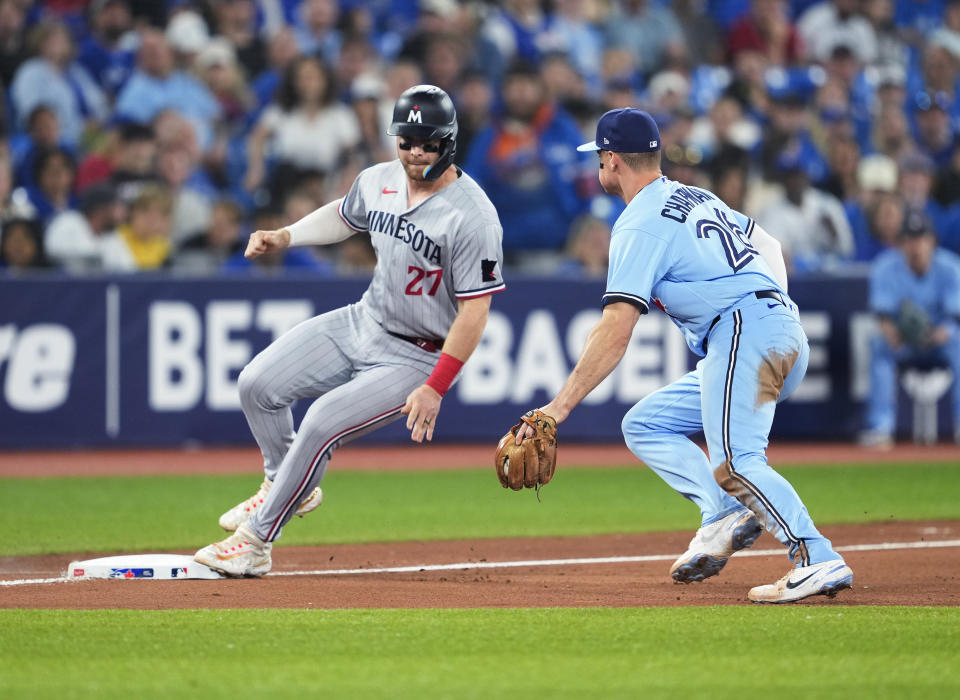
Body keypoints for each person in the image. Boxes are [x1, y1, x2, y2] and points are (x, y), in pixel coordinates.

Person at [515, 108, 853, 604]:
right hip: (772, 328)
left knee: (737, 460)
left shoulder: (638, 223)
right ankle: (722, 514)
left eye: (600, 158)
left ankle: (815, 555)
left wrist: (555, 410)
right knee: (645, 424)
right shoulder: (697, 196)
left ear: (611, 160)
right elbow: (771, 246)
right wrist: (769, 311)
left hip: (743, 333)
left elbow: (615, 330)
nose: (599, 166)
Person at [194, 85, 505, 577]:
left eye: (427, 142)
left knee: (320, 423)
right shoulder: (379, 179)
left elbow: (475, 313)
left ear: (449, 141)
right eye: (407, 141)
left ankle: (255, 542)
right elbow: (343, 217)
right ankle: (287, 485)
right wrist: (286, 235)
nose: (416, 152)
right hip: (365, 319)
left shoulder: (474, 217)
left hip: (416, 356)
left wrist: (436, 386)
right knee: (257, 384)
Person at [860, 210, 960, 448]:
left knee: (958, 342)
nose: (916, 245)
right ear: (901, 243)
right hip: (904, 342)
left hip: (940, 341)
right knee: (878, 345)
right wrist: (890, 331)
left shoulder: (949, 266)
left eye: (921, 238)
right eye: (910, 239)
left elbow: (954, 316)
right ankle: (880, 427)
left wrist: (945, 330)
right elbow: (882, 316)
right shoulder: (886, 266)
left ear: (932, 240)